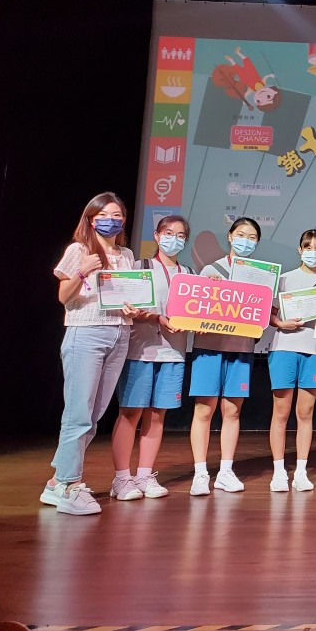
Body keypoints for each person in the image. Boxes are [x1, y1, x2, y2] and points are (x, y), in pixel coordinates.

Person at [42, 192, 137, 516]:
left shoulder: (126, 254)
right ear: (91, 219)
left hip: (119, 333)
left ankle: (57, 481)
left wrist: (131, 306)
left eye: (118, 215)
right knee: (79, 414)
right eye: (104, 215)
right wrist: (82, 271)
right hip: (86, 333)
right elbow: (64, 297)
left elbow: (123, 293)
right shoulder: (79, 250)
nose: (112, 220)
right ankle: (69, 485)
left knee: (93, 416)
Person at [110, 215, 195, 502]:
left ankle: (145, 475)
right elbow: (125, 306)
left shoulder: (190, 274)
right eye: (168, 233)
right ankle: (122, 478)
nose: (174, 239)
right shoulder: (139, 267)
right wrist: (156, 317)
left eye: (181, 235)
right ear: (157, 236)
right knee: (131, 413)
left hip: (174, 353)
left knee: (158, 415)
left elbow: (198, 309)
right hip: (140, 351)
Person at [188, 217, 262, 496]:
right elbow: (194, 308)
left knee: (232, 411)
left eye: (252, 237)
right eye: (241, 235)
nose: (246, 241)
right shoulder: (211, 270)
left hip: (241, 349)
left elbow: (262, 313)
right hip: (209, 348)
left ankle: (225, 471)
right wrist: (211, 290)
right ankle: (200, 473)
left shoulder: (259, 275)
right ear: (230, 237)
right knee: (204, 410)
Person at [267, 230, 316, 493]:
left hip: (314, 351)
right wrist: (280, 323)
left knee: (305, 413)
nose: (313, 252)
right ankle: (279, 471)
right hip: (284, 348)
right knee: (281, 412)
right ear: (300, 250)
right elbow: (270, 312)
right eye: (308, 247)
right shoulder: (285, 279)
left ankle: (301, 471)